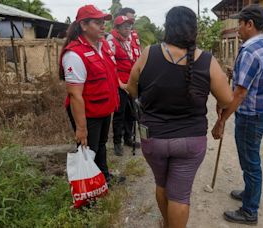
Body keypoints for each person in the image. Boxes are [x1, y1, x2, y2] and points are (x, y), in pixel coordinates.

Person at [127, 6, 233, 228]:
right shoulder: (206, 60)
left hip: (153, 138)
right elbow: (226, 99)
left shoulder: (149, 53)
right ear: (193, 30)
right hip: (190, 141)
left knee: (162, 184)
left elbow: (132, 88)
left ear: (168, 28)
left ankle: (167, 224)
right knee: (180, 195)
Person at [212, 4, 263, 225]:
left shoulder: (249, 51)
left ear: (250, 24)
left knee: (251, 163)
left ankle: (250, 210)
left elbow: (239, 94)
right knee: (251, 159)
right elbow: (253, 82)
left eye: (240, 23)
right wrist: (236, 73)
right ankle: (250, 193)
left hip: (250, 117)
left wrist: (221, 120)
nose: (238, 27)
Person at [60, 5, 120, 184]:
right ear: (83, 25)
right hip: (87, 112)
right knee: (88, 150)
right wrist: (81, 128)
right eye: (97, 22)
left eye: (103, 22)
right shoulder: (74, 54)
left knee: (101, 146)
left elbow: (110, 77)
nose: (103, 26)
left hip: (103, 108)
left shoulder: (103, 47)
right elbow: (75, 95)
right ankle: (87, 193)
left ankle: (104, 179)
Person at [107, 16, 139, 156]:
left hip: (131, 82)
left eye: (129, 25)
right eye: (124, 26)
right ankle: (117, 142)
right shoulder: (111, 41)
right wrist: (120, 84)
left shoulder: (130, 40)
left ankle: (128, 138)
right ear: (117, 27)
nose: (128, 28)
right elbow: (111, 65)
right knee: (119, 114)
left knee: (131, 113)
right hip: (119, 83)